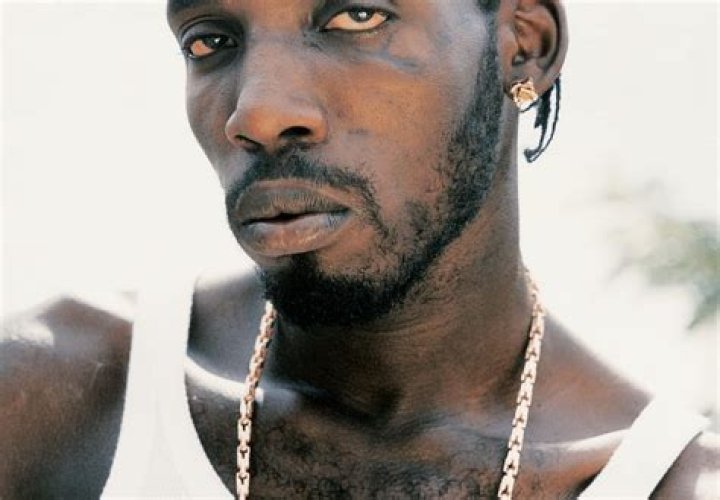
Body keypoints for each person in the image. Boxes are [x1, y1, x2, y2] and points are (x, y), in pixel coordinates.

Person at [1, 0, 718, 498]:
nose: (258, 112)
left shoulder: (670, 483)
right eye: (210, 41)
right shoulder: (57, 395)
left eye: (356, 17)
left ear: (524, 45)